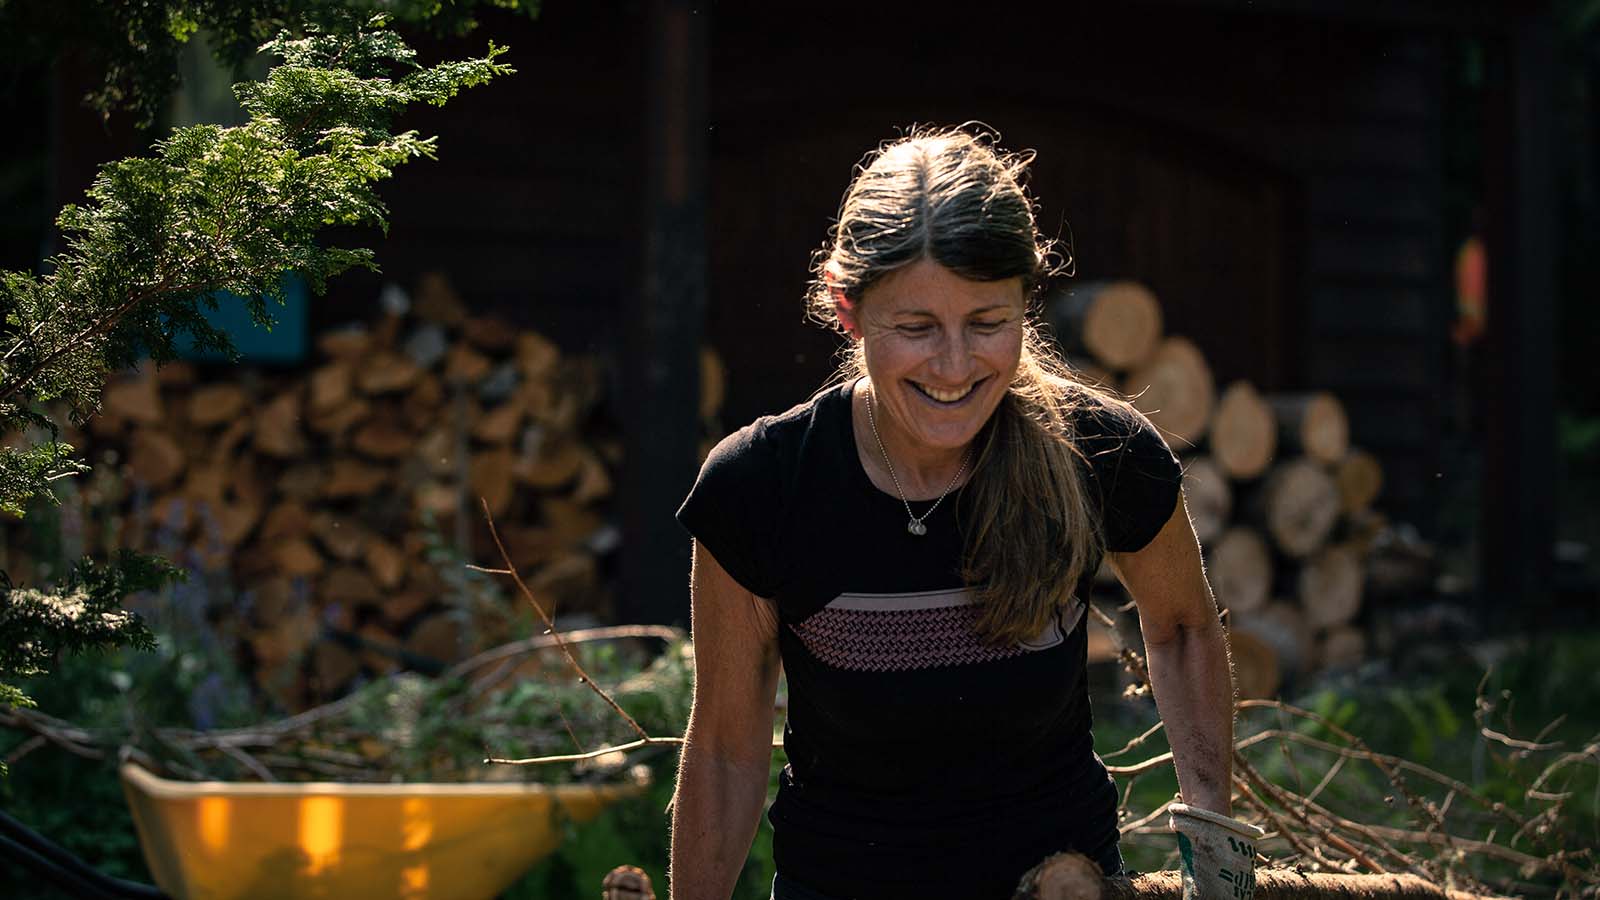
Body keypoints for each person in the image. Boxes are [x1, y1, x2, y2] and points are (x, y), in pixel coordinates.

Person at [668, 126, 1259, 900]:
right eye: (916, 328)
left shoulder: (1101, 452)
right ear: (848, 310)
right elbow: (723, 747)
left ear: (1025, 303)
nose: (953, 366)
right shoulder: (762, 485)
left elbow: (1182, 627)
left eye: (987, 323)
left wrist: (1212, 845)